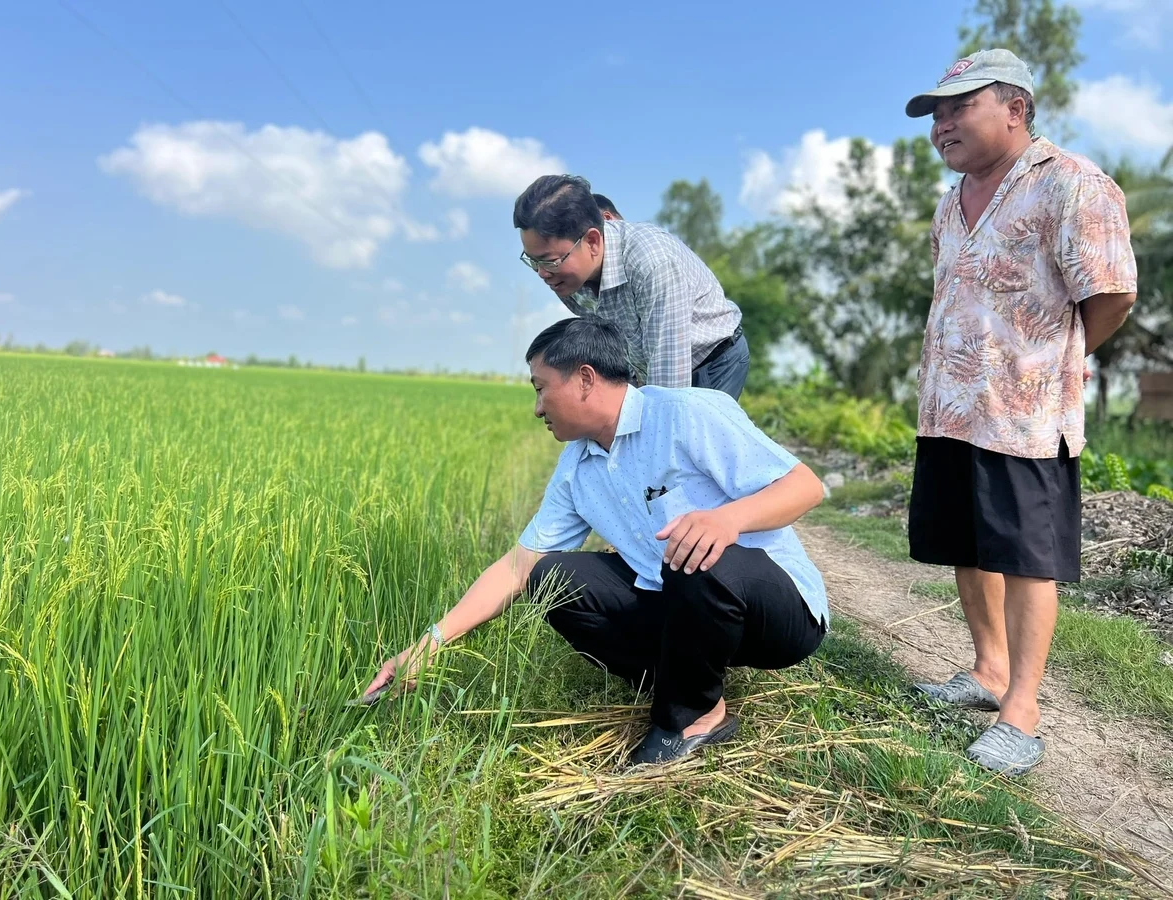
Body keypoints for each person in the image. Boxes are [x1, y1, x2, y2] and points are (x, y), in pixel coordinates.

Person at [361, 317, 829, 766]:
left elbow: (805, 486)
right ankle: (685, 681)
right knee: (550, 576)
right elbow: (516, 568)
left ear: (585, 379)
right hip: (685, 609)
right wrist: (426, 646)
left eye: (541, 388)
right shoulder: (577, 466)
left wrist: (728, 519)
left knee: (693, 549)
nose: (537, 408)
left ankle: (693, 717)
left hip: (776, 610)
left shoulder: (686, 413)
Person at [904, 49, 1137, 775]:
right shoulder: (951, 203)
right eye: (935, 114)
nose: (942, 124)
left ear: (1015, 108)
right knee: (968, 545)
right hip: (948, 407)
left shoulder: (1072, 184)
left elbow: (1112, 293)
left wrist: (1048, 361)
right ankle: (987, 672)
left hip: (1025, 411)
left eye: (958, 107)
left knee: (1026, 556)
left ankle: (1022, 712)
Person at [515, 175, 751, 400]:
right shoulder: (568, 276)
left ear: (592, 241)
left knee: (688, 438)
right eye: (533, 261)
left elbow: (669, 387)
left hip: (711, 360)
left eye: (549, 261)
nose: (542, 272)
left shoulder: (652, 263)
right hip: (650, 366)